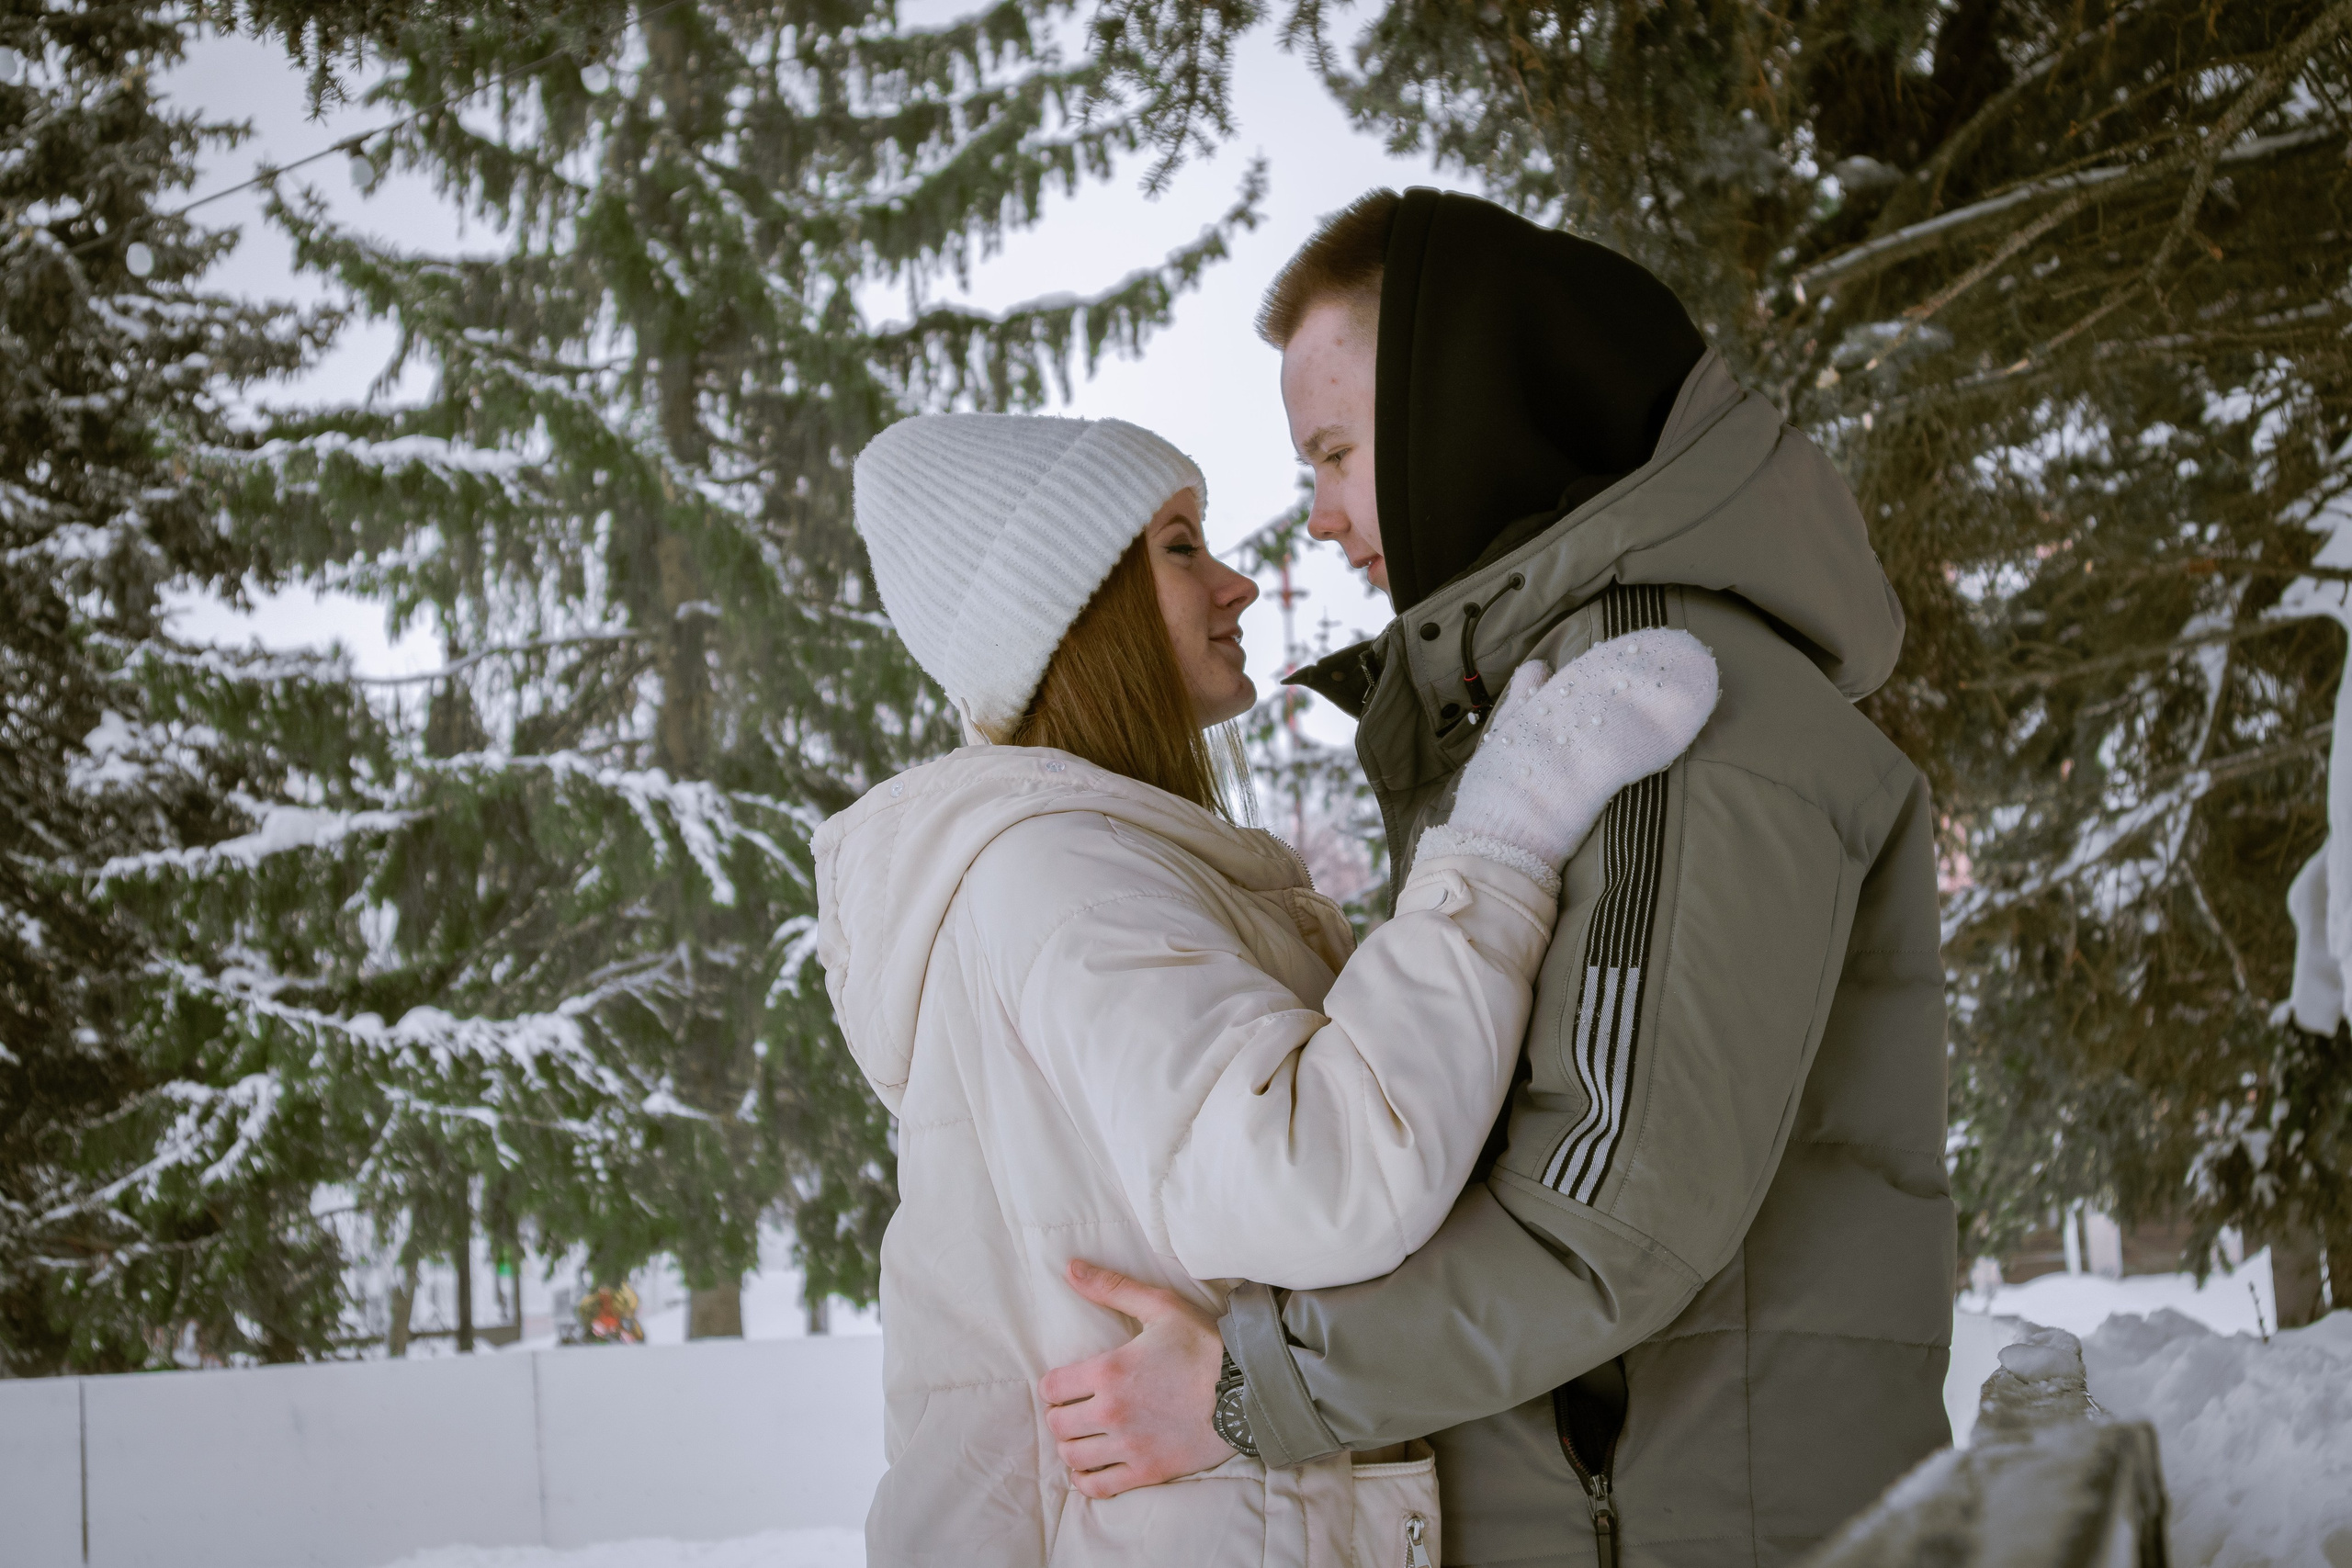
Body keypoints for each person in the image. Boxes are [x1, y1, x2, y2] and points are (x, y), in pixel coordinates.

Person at [1040, 189, 1955, 1567]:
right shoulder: (1553, 705)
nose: (1322, 519)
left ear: (1454, 418)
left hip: (1685, 1520)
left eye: (1336, 455)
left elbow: (1609, 1224)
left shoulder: (1656, 698)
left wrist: (1247, 1387)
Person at [813, 411, 1720, 1566]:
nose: (1235, 583)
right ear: (1073, 611)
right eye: (1179, 547)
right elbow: (1319, 1181)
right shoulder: (1059, 877)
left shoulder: (1078, 867)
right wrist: (1500, 840)